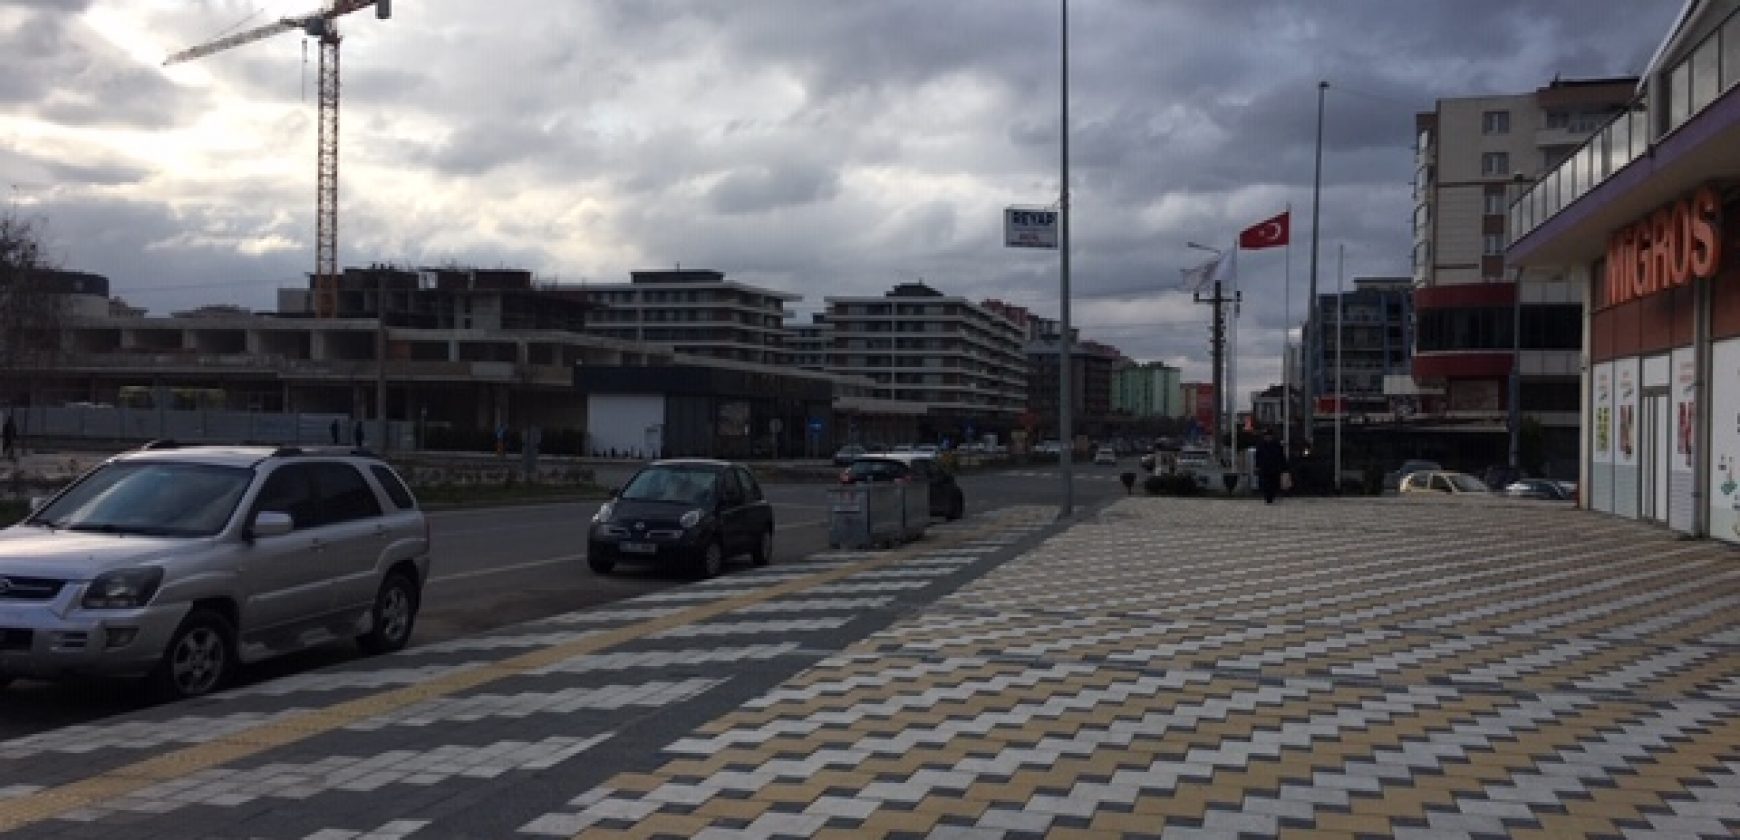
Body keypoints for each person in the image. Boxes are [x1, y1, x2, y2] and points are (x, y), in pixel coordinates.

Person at [1254, 430, 1288, 504]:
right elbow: (1258, 456)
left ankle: (1272, 495)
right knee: (1266, 483)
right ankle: (1267, 497)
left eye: (1269, 436)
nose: (1268, 438)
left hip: (1274, 467)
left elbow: (1281, 456)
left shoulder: (1276, 445)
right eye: (1266, 436)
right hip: (1265, 467)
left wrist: (1284, 467)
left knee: (1274, 482)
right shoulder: (1261, 445)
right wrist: (1257, 466)